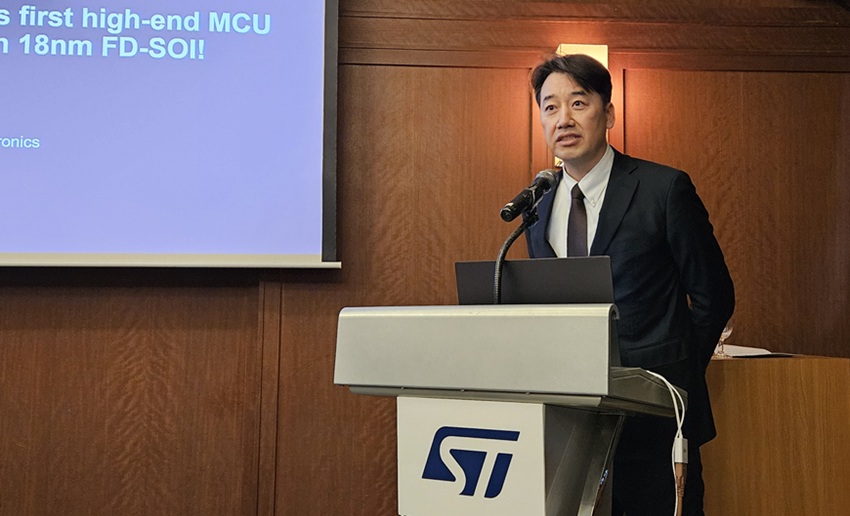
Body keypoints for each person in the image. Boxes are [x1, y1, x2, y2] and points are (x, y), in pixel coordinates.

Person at [525, 54, 735, 515]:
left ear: (609, 114)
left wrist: (673, 375)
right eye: (550, 107)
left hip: (655, 418)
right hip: (570, 419)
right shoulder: (537, 205)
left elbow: (714, 295)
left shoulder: (664, 189)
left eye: (578, 103)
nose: (564, 119)